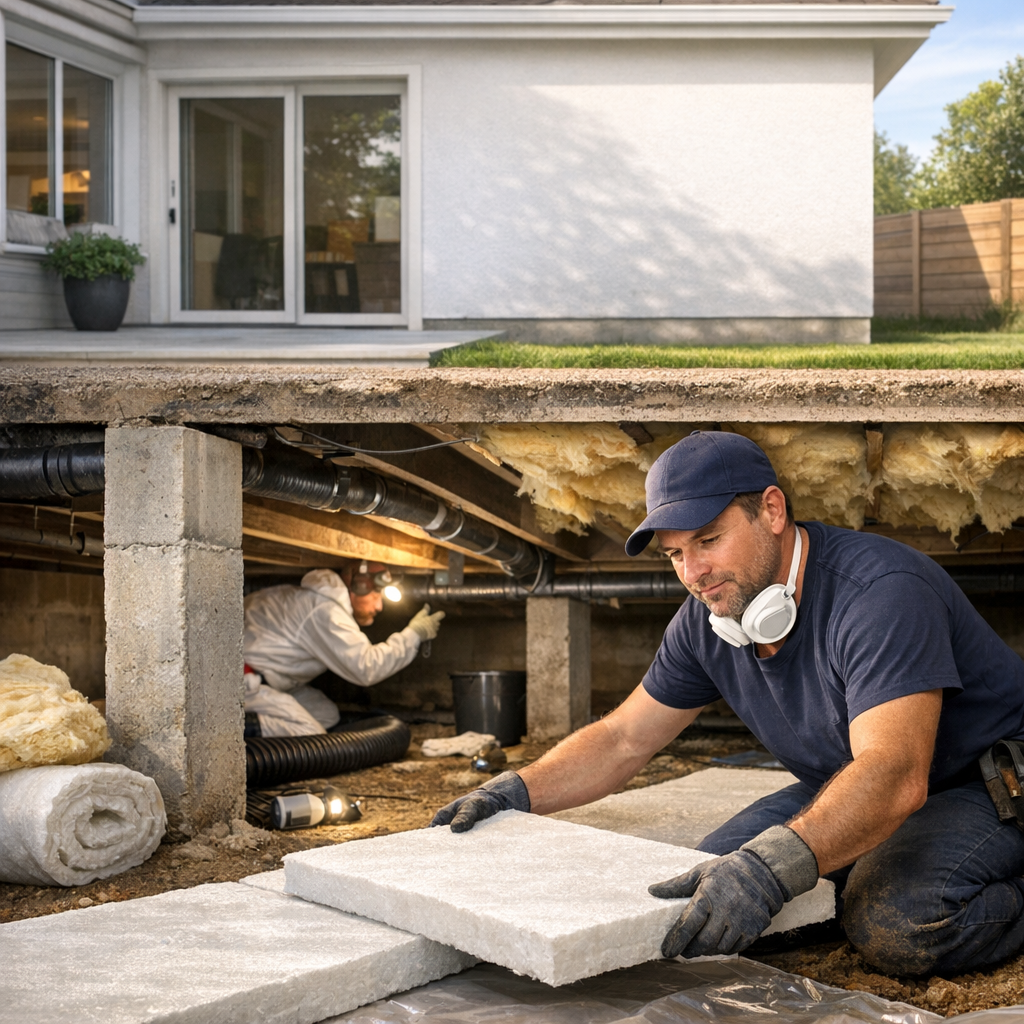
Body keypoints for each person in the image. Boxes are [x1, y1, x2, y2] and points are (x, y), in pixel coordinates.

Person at [432, 430, 1024, 977]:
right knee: (699, 899)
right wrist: (514, 791)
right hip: (857, 780)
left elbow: (895, 774)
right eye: (674, 555)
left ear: (771, 510)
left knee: (898, 919)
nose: (693, 573)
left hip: (987, 782)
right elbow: (624, 739)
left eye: (708, 540)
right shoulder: (708, 621)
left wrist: (775, 869)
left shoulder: (880, 593)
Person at [244, 561, 445, 737]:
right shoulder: (325, 612)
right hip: (244, 683)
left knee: (326, 714)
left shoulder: (319, 603)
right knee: (309, 733)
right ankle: (232, 729)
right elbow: (366, 667)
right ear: (358, 586)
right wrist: (414, 634)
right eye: (376, 594)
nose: (379, 605)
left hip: (268, 680)